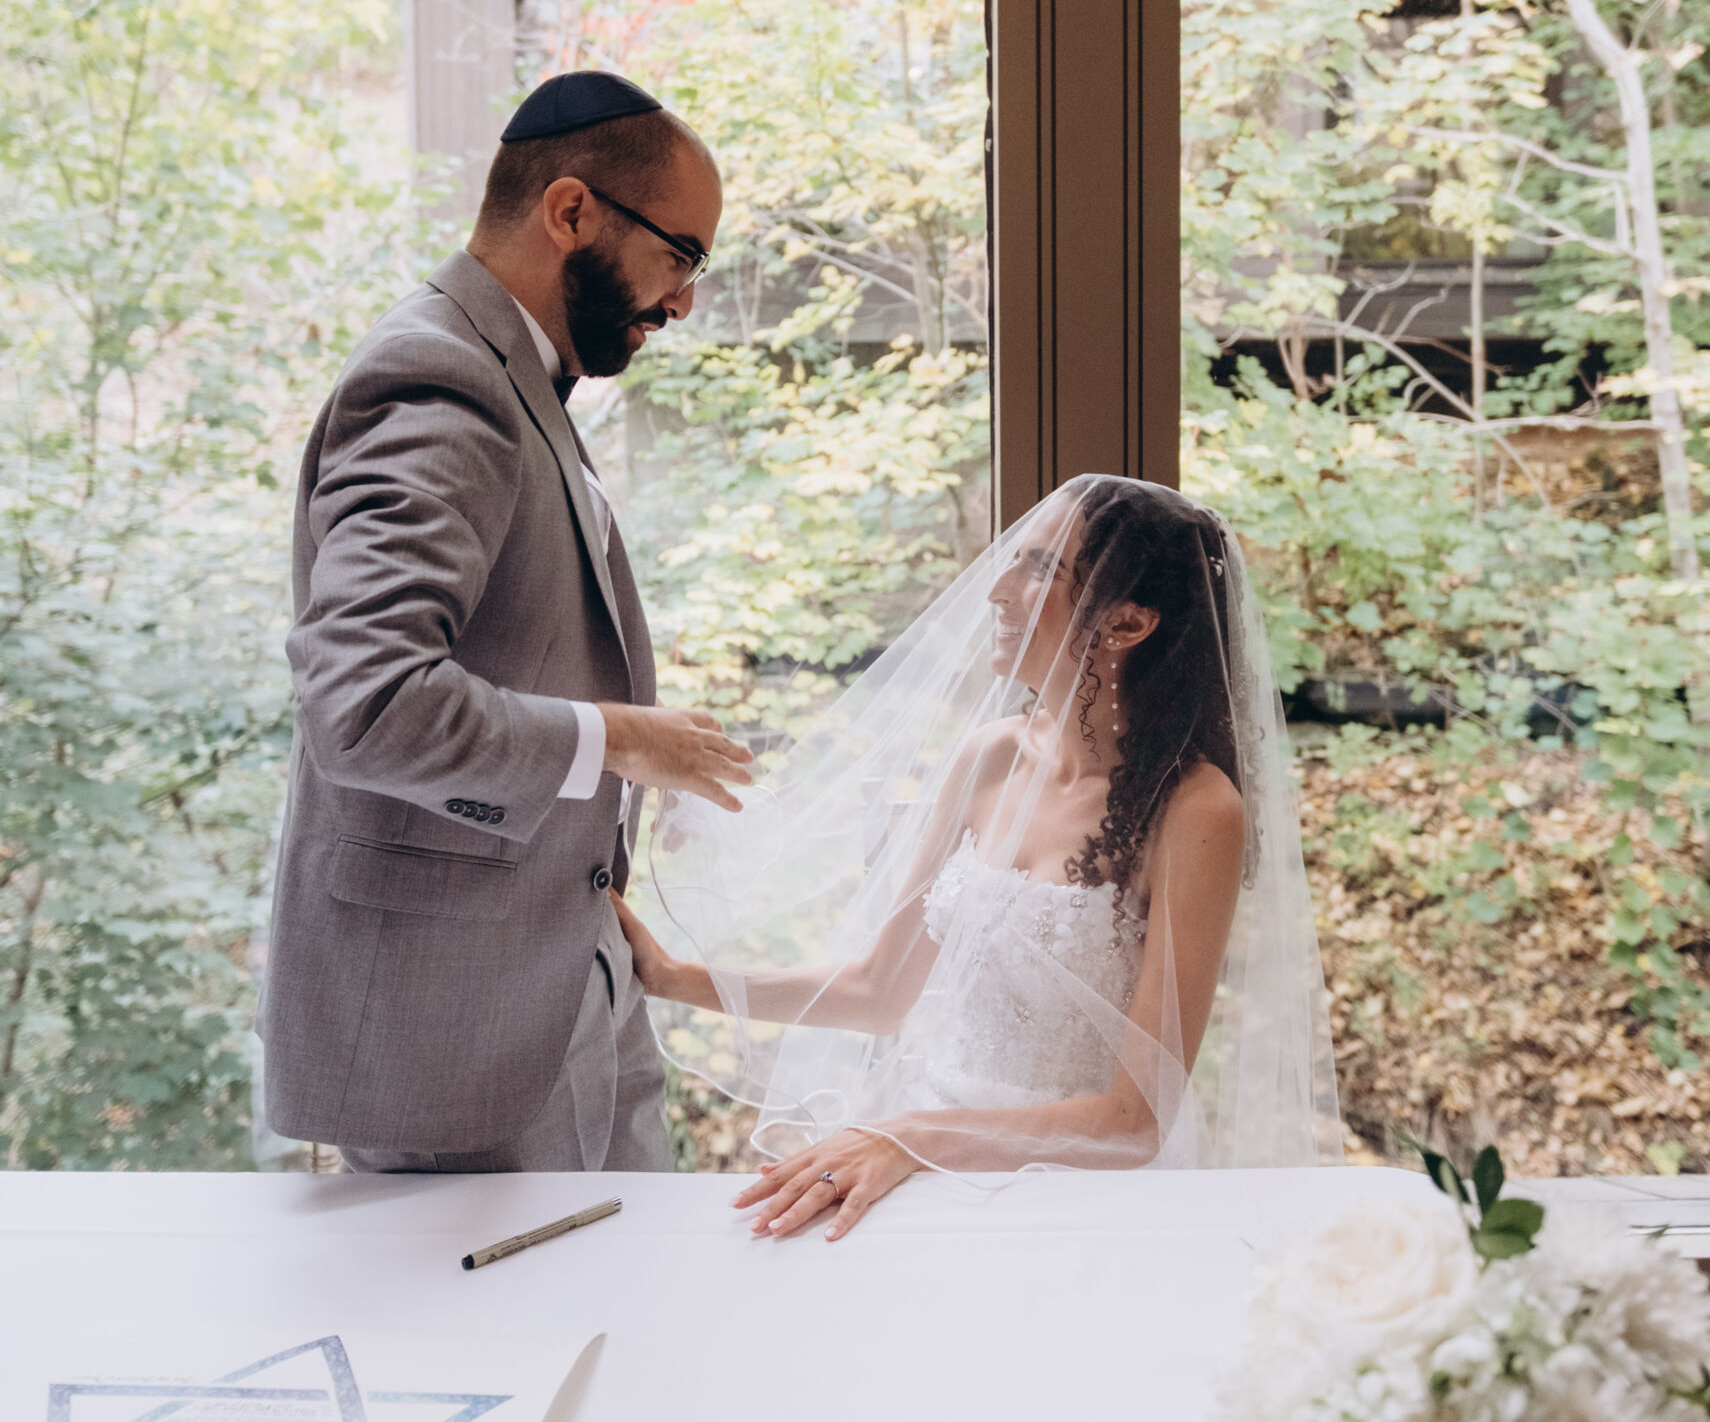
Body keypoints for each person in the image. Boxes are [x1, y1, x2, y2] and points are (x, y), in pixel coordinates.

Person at [620, 475, 1339, 1235]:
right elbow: (877, 990)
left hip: (1076, 1194)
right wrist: (669, 976)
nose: (996, 590)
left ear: (1126, 623)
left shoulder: (1196, 810)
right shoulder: (989, 757)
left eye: (1040, 569)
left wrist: (910, 1138)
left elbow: (1136, 1121)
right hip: (921, 1153)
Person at [258, 68, 752, 1173]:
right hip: (448, 1044)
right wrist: (619, 740)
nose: (682, 302)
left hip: (559, 979)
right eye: (681, 256)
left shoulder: (516, 375)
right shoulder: (441, 377)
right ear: (571, 211)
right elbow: (367, 704)